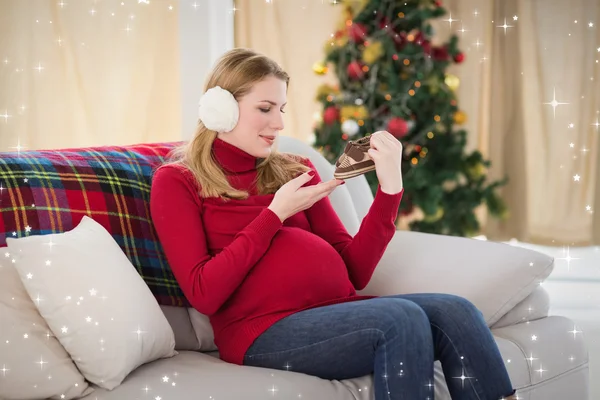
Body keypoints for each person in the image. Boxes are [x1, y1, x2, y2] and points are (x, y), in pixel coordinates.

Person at [150, 48, 517, 400]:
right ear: (220, 109)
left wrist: (390, 189)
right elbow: (203, 292)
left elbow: (354, 270)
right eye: (264, 109)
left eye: (281, 109)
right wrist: (274, 215)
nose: (277, 124)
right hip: (260, 331)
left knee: (458, 311)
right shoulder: (178, 180)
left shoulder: (296, 169)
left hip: (336, 312)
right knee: (399, 318)